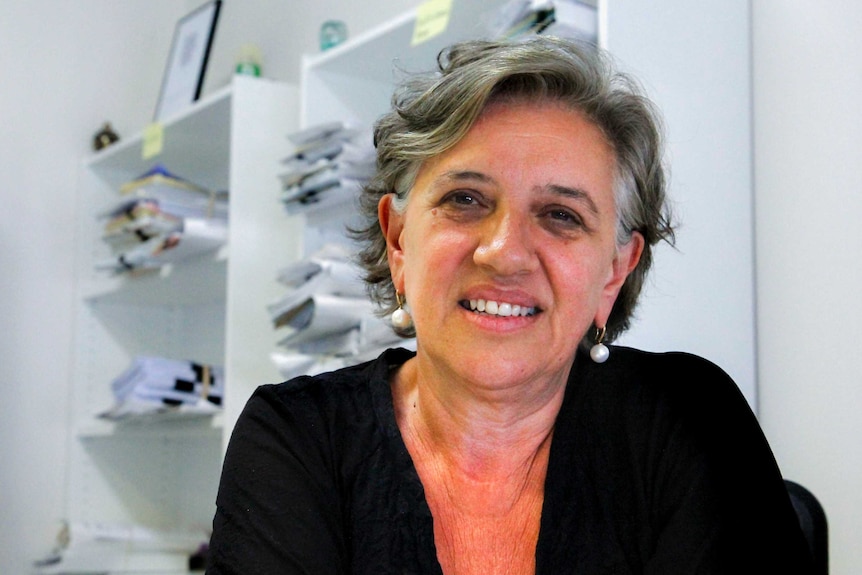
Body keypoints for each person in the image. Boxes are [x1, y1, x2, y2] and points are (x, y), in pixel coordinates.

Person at [207, 36, 813, 574]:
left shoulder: (688, 419)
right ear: (397, 241)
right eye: (466, 199)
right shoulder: (297, 439)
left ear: (615, 271)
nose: (504, 253)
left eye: (561, 215)